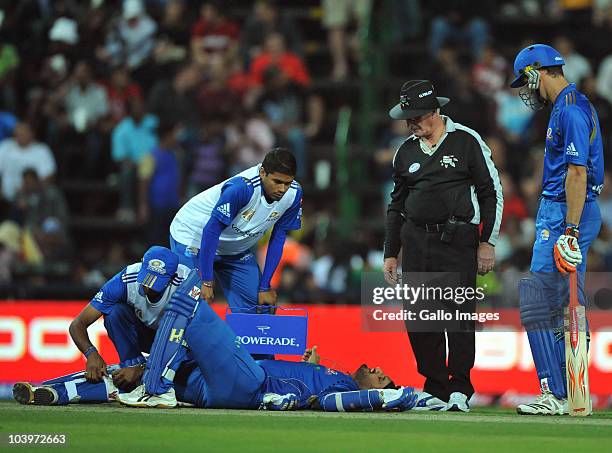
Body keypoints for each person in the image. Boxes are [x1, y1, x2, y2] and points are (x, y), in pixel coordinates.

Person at [15, 296, 417, 413]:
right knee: (128, 376)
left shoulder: (341, 389)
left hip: (245, 386)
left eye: (381, 375)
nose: (377, 369)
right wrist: (306, 367)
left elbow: (338, 402)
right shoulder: (326, 374)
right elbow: (297, 382)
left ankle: (155, 378)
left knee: (193, 308)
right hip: (209, 387)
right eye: (381, 377)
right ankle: (51, 392)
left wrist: (398, 396)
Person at [382, 80, 503, 412]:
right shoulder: (405, 151)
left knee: (458, 314)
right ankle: (434, 387)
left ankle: (460, 388)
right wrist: (391, 251)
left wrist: (487, 241)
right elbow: (396, 205)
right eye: (408, 118)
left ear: (435, 111)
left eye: (416, 117)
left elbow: (491, 191)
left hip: (458, 240)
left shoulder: (466, 141)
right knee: (420, 317)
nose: (411, 123)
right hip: (416, 239)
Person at [509, 44, 604, 415]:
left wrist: (569, 229)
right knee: (563, 305)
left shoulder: (570, 111)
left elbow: (578, 173)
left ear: (536, 72)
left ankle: (557, 393)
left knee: (536, 303)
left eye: (525, 80)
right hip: (565, 211)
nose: (525, 90)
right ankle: (568, 391)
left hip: (566, 212)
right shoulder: (569, 107)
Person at [169, 148, 302, 315]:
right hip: (193, 235)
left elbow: (278, 239)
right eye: (277, 182)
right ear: (262, 173)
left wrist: (265, 285)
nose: (282, 189)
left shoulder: (293, 195)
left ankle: (242, 340)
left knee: (261, 305)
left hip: (232, 247)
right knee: (191, 300)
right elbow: (211, 232)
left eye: (287, 183)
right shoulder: (242, 188)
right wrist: (207, 280)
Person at [64, 245, 191, 393]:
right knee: (114, 313)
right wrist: (91, 354)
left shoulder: (187, 284)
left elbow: (192, 339)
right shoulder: (125, 280)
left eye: (156, 283)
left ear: (171, 278)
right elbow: (77, 324)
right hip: (144, 335)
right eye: (146, 277)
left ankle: (143, 372)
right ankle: (132, 369)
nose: (147, 287)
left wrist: (144, 368)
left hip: (175, 339)